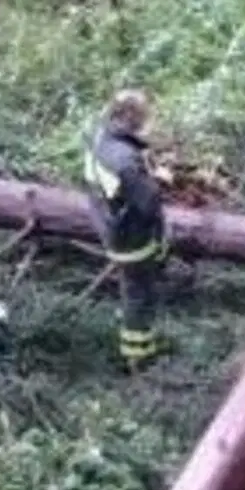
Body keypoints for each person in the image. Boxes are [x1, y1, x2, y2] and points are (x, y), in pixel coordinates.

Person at [83, 89, 168, 369]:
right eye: (144, 119)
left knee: (132, 287)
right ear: (131, 118)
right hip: (130, 236)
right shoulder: (125, 161)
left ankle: (139, 342)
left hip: (107, 224)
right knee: (139, 293)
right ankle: (138, 355)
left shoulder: (99, 138)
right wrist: (159, 181)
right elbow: (148, 203)